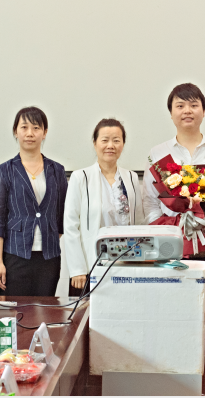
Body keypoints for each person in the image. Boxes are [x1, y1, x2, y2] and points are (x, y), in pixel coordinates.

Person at [143, 83, 205, 295]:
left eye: (194, 105)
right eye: (180, 106)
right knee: (173, 309)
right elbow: (150, 202)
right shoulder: (157, 153)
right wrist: (167, 229)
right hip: (171, 250)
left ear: (203, 111)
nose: (187, 111)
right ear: (171, 113)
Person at [63, 118, 150, 297]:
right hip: (90, 266)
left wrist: (143, 258)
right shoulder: (81, 177)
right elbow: (71, 226)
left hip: (125, 264)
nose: (110, 145)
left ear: (123, 144)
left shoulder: (131, 178)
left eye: (116, 140)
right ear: (95, 143)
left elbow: (140, 222)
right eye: (105, 140)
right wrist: (77, 269)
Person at [0, 106, 68, 297]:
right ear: (15, 131)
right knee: (15, 311)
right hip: (15, 255)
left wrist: (47, 236)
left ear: (45, 132)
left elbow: (61, 216)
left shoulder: (57, 170)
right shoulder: (5, 170)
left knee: (46, 309)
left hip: (49, 257)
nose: (30, 133)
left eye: (36, 128)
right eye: (24, 127)